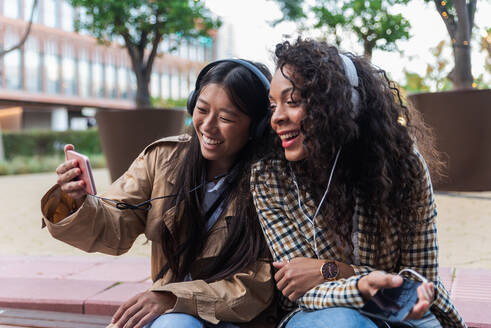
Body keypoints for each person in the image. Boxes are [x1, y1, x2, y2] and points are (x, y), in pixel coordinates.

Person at [41, 59, 277, 328]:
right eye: (201, 110)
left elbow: (258, 284)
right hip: (173, 315)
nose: (208, 126)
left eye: (225, 118)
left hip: (237, 318)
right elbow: (112, 226)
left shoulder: (271, 182)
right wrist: (75, 201)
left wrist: (172, 297)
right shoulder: (163, 159)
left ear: (258, 126)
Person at [250, 38, 466, 328]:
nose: (276, 117)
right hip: (318, 313)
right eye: (273, 105)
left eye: (292, 102)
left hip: (400, 309)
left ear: (341, 105)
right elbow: (298, 287)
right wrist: (361, 284)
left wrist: (337, 270)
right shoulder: (269, 176)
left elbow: (419, 275)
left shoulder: (404, 165)